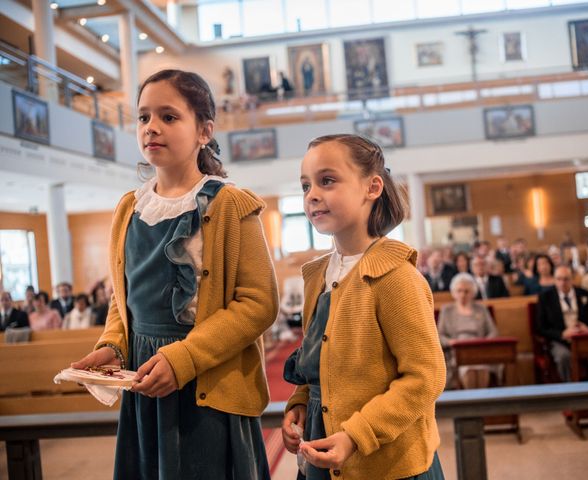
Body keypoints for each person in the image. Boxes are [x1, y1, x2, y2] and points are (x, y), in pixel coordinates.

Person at [71, 69, 278, 479]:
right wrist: (113, 346)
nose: (152, 128)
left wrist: (183, 358)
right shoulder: (129, 207)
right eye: (143, 117)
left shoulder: (230, 204)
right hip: (145, 380)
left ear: (204, 130)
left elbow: (259, 304)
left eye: (169, 117)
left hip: (206, 380)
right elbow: (122, 297)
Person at [282, 134, 446, 479]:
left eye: (327, 181)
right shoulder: (317, 276)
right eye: (305, 185)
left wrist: (357, 435)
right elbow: (316, 358)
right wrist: (300, 401)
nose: (312, 194)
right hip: (322, 450)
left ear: (372, 187)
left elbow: (425, 377)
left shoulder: (395, 276)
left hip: (387, 466)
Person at [535, 266, 588, 382]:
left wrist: (587, 329)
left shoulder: (585, 294)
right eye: (558, 279)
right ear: (554, 280)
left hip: (583, 339)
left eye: (566, 279)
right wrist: (562, 334)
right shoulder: (545, 297)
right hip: (560, 341)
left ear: (572, 279)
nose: (562, 283)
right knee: (564, 357)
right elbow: (541, 328)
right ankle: (570, 388)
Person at [438, 273, 499, 390]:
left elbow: (493, 332)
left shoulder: (481, 309)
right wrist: (451, 342)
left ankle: (483, 404)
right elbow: (439, 336)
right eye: (459, 291)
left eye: (467, 291)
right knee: (468, 370)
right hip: (456, 352)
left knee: (482, 369)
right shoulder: (447, 310)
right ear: (454, 292)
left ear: (473, 293)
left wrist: (485, 343)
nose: (463, 294)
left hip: (479, 350)